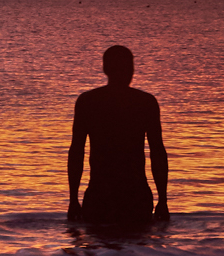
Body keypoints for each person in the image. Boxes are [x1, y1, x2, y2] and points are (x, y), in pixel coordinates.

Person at [67, 45, 169, 227]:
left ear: (105, 69)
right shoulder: (145, 103)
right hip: (135, 197)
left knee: (98, 252)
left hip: (100, 196)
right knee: (138, 251)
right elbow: (157, 152)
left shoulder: (88, 102)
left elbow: (77, 152)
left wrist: (73, 199)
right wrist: (163, 200)